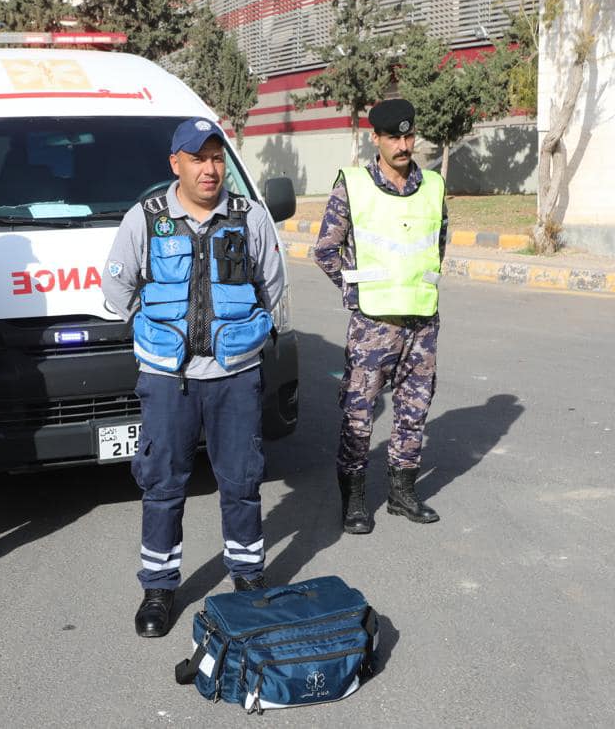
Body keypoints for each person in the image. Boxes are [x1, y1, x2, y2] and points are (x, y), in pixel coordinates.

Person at [102, 117, 285, 638]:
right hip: (168, 379)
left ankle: (248, 576)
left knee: (242, 482)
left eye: (217, 157)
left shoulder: (250, 217)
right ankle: (159, 588)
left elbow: (272, 287)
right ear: (175, 163)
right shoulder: (146, 219)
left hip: (236, 375)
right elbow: (117, 290)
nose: (210, 168)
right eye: (198, 158)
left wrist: (242, 336)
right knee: (162, 484)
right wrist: (160, 332)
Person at [313, 98, 447, 535]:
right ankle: (354, 502)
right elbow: (325, 250)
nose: (403, 145)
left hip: (421, 323)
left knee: (414, 410)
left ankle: (402, 494)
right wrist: (356, 293)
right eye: (394, 137)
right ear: (376, 138)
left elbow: (437, 245)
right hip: (373, 325)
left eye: (409, 136)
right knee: (359, 413)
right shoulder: (353, 185)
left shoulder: (433, 186)